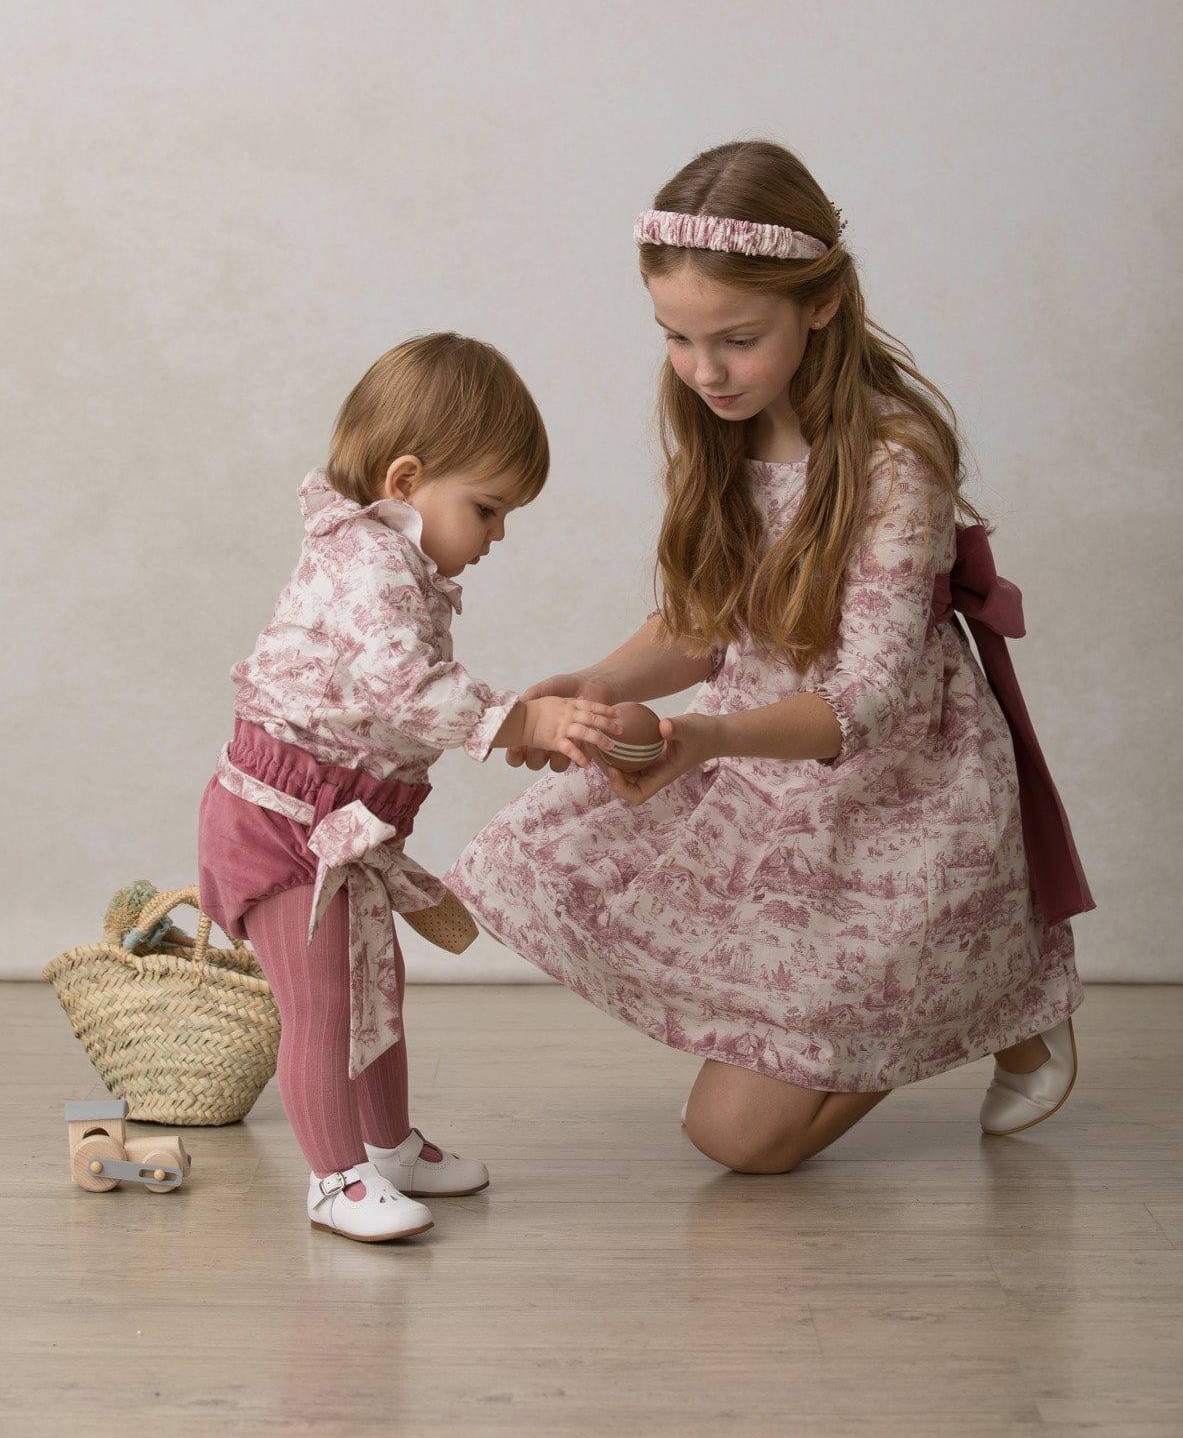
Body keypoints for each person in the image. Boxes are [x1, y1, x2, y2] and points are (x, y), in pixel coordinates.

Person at [447, 141, 1093, 1175]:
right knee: (553, 862)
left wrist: (704, 738)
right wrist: (601, 682)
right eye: (677, 339)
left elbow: (869, 700)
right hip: (759, 766)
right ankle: (963, 996)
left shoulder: (895, 462)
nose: (706, 371)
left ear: (822, 303)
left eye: (737, 340)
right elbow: (707, 624)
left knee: (739, 1141)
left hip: (896, 795)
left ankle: (967, 989)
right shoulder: (723, 435)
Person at [198, 334, 620, 1240]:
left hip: (339, 822)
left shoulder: (394, 562)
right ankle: (334, 1179)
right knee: (319, 1005)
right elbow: (402, 686)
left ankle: (387, 1146)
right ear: (405, 480)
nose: (498, 535)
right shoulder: (369, 567)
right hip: (282, 824)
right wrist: (517, 720)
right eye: (488, 508)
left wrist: (505, 724)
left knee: (371, 987)